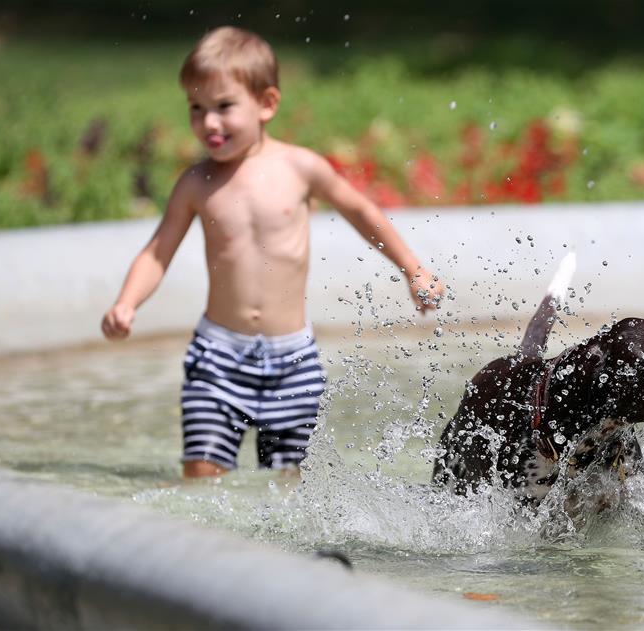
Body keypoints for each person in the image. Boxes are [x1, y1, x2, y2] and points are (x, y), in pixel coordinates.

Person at [101, 26, 444, 479]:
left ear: (266, 104)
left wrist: (412, 269)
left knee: (289, 488)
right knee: (202, 475)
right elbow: (156, 253)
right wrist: (127, 303)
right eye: (196, 109)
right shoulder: (196, 184)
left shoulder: (299, 168)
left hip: (293, 360)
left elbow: (361, 211)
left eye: (224, 107)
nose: (209, 123)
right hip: (218, 357)